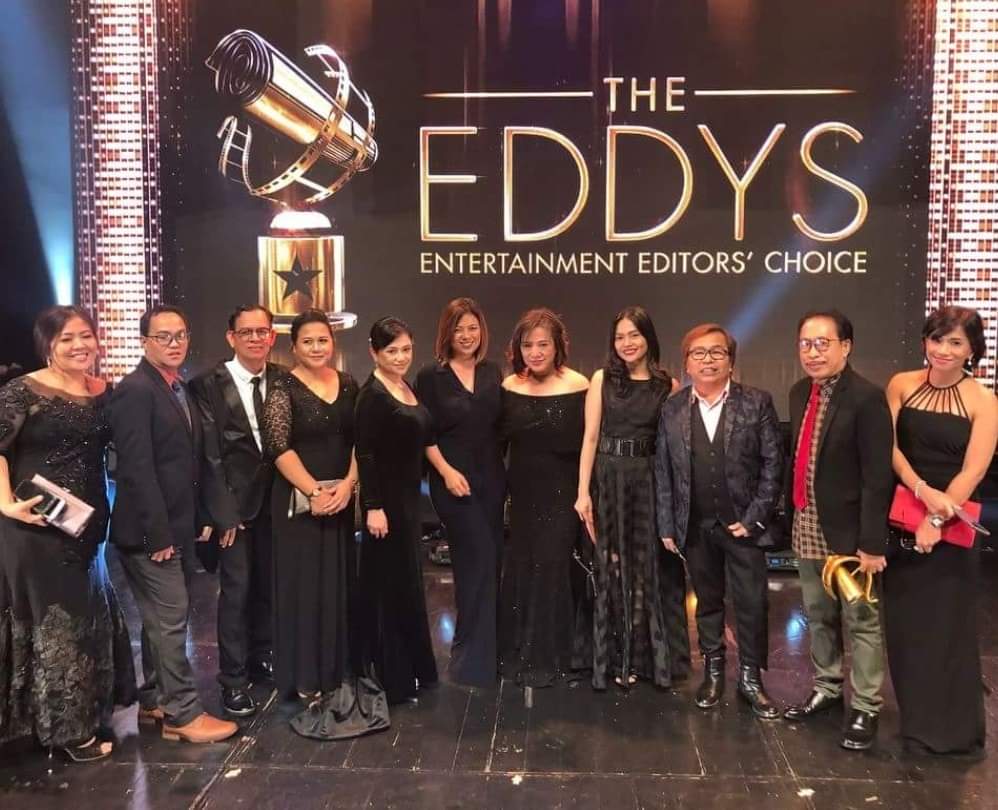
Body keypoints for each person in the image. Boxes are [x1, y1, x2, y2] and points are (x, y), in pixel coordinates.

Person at [0, 306, 136, 761]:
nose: (79, 345)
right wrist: (4, 502)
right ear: (48, 346)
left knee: (85, 619)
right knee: (57, 624)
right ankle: (67, 733)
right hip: (36, 526)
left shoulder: (103, 392)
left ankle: (82, 715)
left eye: (85, 335)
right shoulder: (23, 390)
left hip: (87, 527)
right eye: (66, 339)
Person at [109, 305, 238, 744]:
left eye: (180, 334)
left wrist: (197, 519)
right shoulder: (135, 390)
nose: (174, 343)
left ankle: (154, 699)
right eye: (163, 336)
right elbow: (136, 468)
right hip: (150, 534)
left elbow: (184, 465)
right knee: (170, 620)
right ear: (144, 341)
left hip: (176, 527)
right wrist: (158, 534)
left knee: (159, 620)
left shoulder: (175, 385)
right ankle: (183, 714)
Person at [261, 309, 388, 740]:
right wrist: (315, 492)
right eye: (308, 341)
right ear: (294, 346)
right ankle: (305, 677)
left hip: (340, 501)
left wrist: (349, 486)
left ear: (333, 343)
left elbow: (360, 442)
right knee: (304, 587)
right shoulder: (282, 388)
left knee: (337, 586)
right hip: (300, 505)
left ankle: (335, 670)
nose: (317, 347)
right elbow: (278, 447)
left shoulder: (348, 384)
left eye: (323, 340)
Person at [883, 306, 997, 756]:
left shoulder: (983, 400)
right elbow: (889, 447)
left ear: (972, 350)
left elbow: (974, 470)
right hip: (902, 514)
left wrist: (936, 518)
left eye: (955, 342)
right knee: (906, 627)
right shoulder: (901, 384)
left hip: (951, 524)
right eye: (936, 339)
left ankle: (953, 731)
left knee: (947, 627)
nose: (943, 350)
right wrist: (921, 491)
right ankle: (916, 722)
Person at [655, 323, 783, 719]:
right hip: (695, 524)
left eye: (716, 353)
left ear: (730, 361)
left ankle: (750, 677)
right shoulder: (673, 408)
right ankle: (713, 672)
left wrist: (755, 517)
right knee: (707, 601)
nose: (707, 360)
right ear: (686, 363)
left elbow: (773, 465)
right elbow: (664, 469)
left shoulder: (756, 402)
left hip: (743, 526)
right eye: (698, 353)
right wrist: (667, 524)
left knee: (751, 602)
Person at [782, 309, 894, 751]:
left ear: (845, 347)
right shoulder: (798, 392)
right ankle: (827, 688)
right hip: (807, 523)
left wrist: (871, 542)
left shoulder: (866, 398)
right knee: (818, 615)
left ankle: (866, 705)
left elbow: (877, 478)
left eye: (822, 343)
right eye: (805, 344)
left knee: (861, 619)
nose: (812, 353)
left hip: (849, 535)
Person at [575, 306, 689, 692]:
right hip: (608, 479)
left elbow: (670, 448)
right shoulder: (602, 379)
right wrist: (583, 493)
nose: (627, 343)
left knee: (646, 571)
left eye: (634, 335)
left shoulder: (667, 385)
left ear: (648, 338)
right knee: (610, 567)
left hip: (647, 480)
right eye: (620, 336)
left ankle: (644, 660)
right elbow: (591, 437)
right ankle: (611, 659)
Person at [189, 305, 281, 717]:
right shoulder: (206, 384)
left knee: (268, 588)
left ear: (272, 336)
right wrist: (223, 512)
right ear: (231, 337)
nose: (256, 339)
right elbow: (209, 456)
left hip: (276, 505)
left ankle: (263, 658)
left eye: (263, 332)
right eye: (247, 332)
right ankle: (233, 680)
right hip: (234, 510)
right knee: (236, 593)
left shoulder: (282, 378)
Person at [416, 298, 505, 687]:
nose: (466, 335)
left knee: (490, 563)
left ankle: (486, 651)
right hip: (452, 482)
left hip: (492, 482)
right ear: (446, 333)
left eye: (472, 328)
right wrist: (446, 472)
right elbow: (424, 433)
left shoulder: (492, 372)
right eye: (458, 329)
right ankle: (472, 659)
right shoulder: (430, 376)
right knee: (476, 562)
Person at [500, 308, 590, 688]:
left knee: (554, 566)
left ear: (558, 347)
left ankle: (557, 654)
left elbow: (590, 443)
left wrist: (585, 494)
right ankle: (519, 650)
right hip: (522, 493)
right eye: (527, 345)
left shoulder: (579, 385)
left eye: (543, 344)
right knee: (523, 566)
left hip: (563, 493)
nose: (535, 352)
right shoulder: (509, 386)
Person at [355, 317, 439, 704]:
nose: (401, 357)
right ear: (374, 352)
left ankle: (414, 670)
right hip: (385, 506)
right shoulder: (372, 395)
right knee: (388, 589)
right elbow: (365, 454)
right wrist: (373, 507)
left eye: (406, 349)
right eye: (392, 351)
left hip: (406, 502)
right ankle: (393, 678)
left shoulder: (405, 386)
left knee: (406, 585)